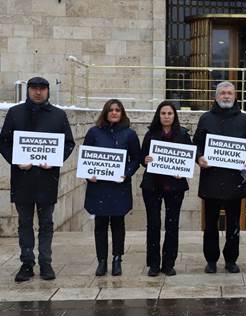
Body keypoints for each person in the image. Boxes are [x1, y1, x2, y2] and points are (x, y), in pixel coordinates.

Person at [0, 76, 75, 282]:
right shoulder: (15, 113)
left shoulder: (58, 115)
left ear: (48, 91)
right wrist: (16, 161)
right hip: (23, 178)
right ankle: (26, 263)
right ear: (28, 90)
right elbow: (4, 142)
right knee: (24, 223)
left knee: (46, 223)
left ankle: (45, 263)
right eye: (34, 88)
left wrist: (55, 160)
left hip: (46, 178)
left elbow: (68, 143)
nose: (38, 92)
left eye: (42, 88)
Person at [193, 81, 246, 274]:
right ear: (216, 96)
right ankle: (211, 260)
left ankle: (231, 259)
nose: (226, 96)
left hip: (234, 181)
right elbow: (196, 144)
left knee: (233, 225)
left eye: (230, 93)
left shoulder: (245, 120)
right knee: (211, 224)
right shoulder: (205, 119)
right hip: (211, 179)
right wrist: (199, 158)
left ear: (235, 96)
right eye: (222, 93)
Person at [83, 99, 141, 277]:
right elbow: (85, 157)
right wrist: (88, 174)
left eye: (118, 110)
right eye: (111, 110)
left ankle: (117, 259)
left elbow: (136, 159)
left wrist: (126, 173)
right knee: (100, 224)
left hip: (119, 187)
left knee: (117, 223)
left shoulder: (129, 134)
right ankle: (101, 261)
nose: (114, 113)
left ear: (122, 113)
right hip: (98, 186)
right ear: (105, 112)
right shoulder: (94, 133)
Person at [140, 101, 191, 277]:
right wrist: (145, 160)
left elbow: (189, 159)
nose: (167, 116)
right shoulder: (150, 134)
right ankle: (153, 264)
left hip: (175, 187)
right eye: (163, 113)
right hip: (153, 186)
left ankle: (169, 263)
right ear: (158, 115)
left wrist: (182, 171)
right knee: (153, 225)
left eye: (170, 113)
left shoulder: (183, 134)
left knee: (172, 225)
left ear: (174, 115)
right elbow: (142, 157)